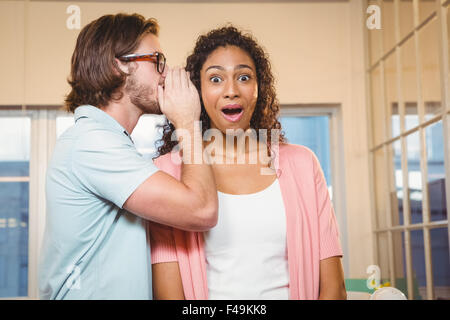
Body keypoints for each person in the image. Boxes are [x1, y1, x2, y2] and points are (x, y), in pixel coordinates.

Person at [149, 26, 346, 300]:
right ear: (198, 91)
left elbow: (334, 289)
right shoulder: (167, 172)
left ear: (258, 88)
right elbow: (170, 296)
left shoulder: (303, 165)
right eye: (215, 79)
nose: (231, 91)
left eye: (243, 77)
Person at [38, 13, 218, 300]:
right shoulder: (92, 143)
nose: (165, 72)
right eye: (156, 59)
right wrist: (187, 122)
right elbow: (202, 210)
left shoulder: (108, 143)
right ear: (119, 65)